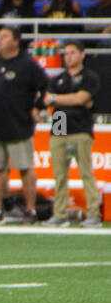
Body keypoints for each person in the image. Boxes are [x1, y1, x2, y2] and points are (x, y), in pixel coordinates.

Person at [0, 25, 47, 224]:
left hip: (18, 124)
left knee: (25, 168)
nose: (0, 40)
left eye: (4, 36)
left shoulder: (28, 65)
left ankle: (30, 210)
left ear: (16, 41)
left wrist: (37, 107)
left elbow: (46, 85)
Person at [43, 40, 101, 226]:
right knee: (59, 175)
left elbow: (81, 98)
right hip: (59, 128)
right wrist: (69, 99)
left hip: (80, 129)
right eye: (65, 53)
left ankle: (93, 214)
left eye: (72, 53)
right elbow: (47, 100)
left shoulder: (89, 77)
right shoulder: (58, 78)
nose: (68, 57)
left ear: (82, 54)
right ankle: (59, 214)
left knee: (86, 173)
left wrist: (57, 99)